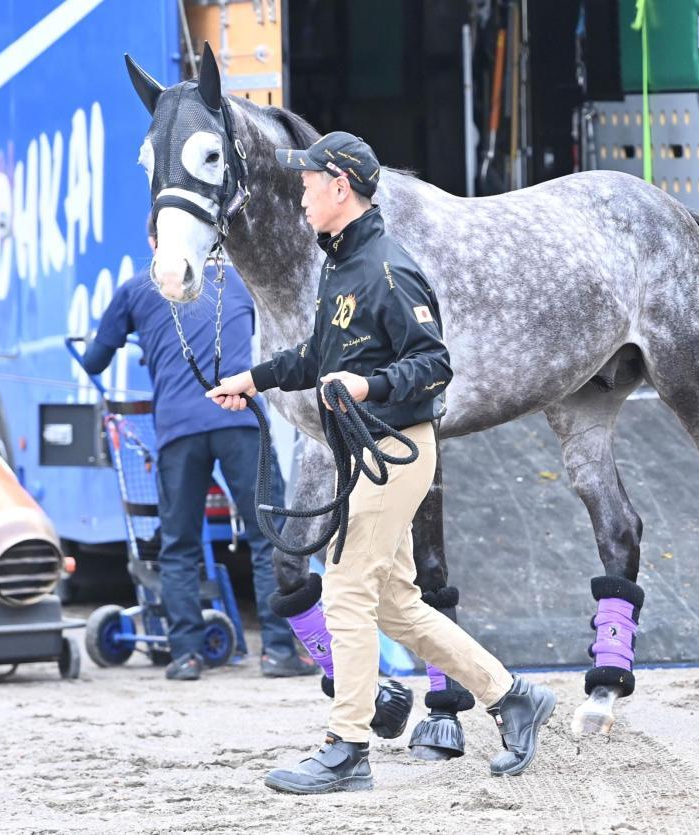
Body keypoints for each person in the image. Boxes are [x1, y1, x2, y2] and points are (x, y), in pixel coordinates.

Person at [207, 131, 556, 793]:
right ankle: (513, 698)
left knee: (343, 589)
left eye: (309, 182)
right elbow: (315, 358)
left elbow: (435, 363)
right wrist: (251, 379)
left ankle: (347, 746)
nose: (301, 193)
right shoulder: (340, 265)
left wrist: (370, 386)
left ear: (341, 187)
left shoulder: (390, 267)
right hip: (367, 456)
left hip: (394, 452)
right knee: (397, 606)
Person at [82, 217, 316, 681]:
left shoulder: (134, 289)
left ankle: (186, 655)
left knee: (179, 545)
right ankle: (277, 652)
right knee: (268, 534)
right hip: (240, 421)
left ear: (153, 242)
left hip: (177, 431)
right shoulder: (240, 282)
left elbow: (94, 360)